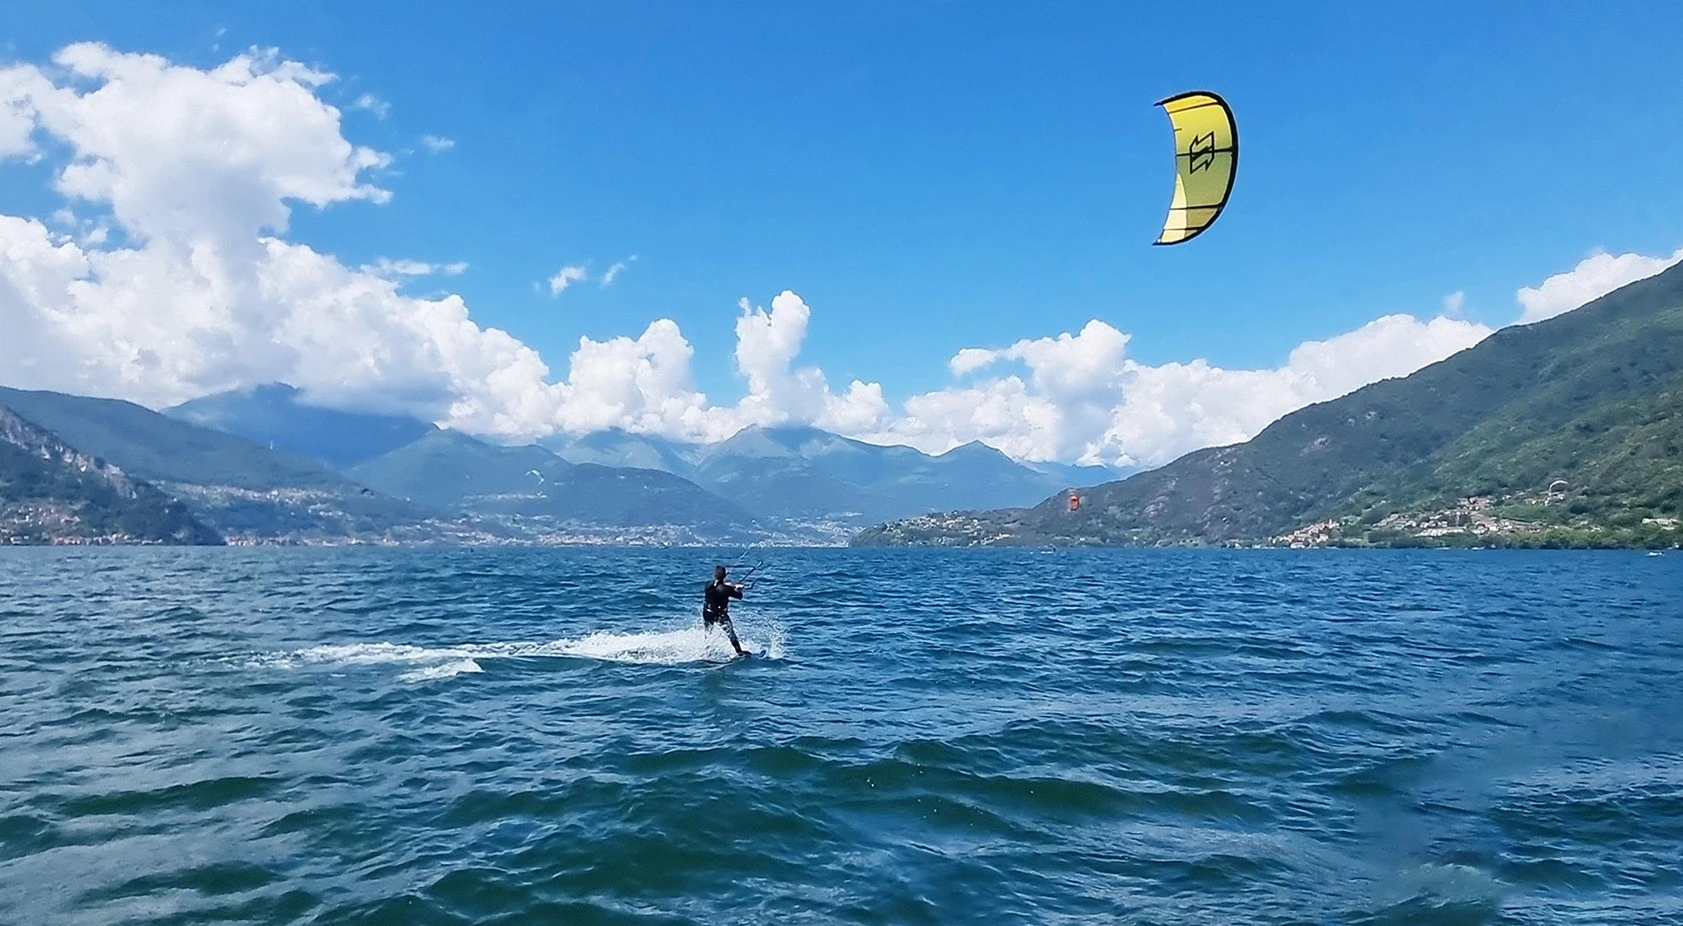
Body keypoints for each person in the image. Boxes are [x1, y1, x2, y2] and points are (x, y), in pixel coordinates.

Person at [702, 564, 748, 656]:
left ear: (714, 575)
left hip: (707, 612)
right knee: (731, 633)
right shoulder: (726, 590)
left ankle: (706, 652)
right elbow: (739, 596)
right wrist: (738, 589)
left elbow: (717, 585)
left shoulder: (708, 585)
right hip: (720, 615)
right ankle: (739, 652)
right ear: (725, 575)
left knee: (708, 632)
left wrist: (729, 585)